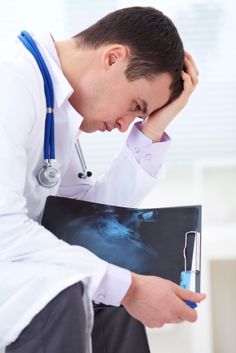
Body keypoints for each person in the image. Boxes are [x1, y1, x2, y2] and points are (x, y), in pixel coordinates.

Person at [0, 6, 206, 353]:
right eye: (136, 105)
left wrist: (152, 131)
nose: (126, 125)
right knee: (80, 290)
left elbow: (84, 225)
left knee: (110, 296)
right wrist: (131, 288)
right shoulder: (12, 82)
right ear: (113, 58)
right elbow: (4, 228)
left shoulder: (58, 107)